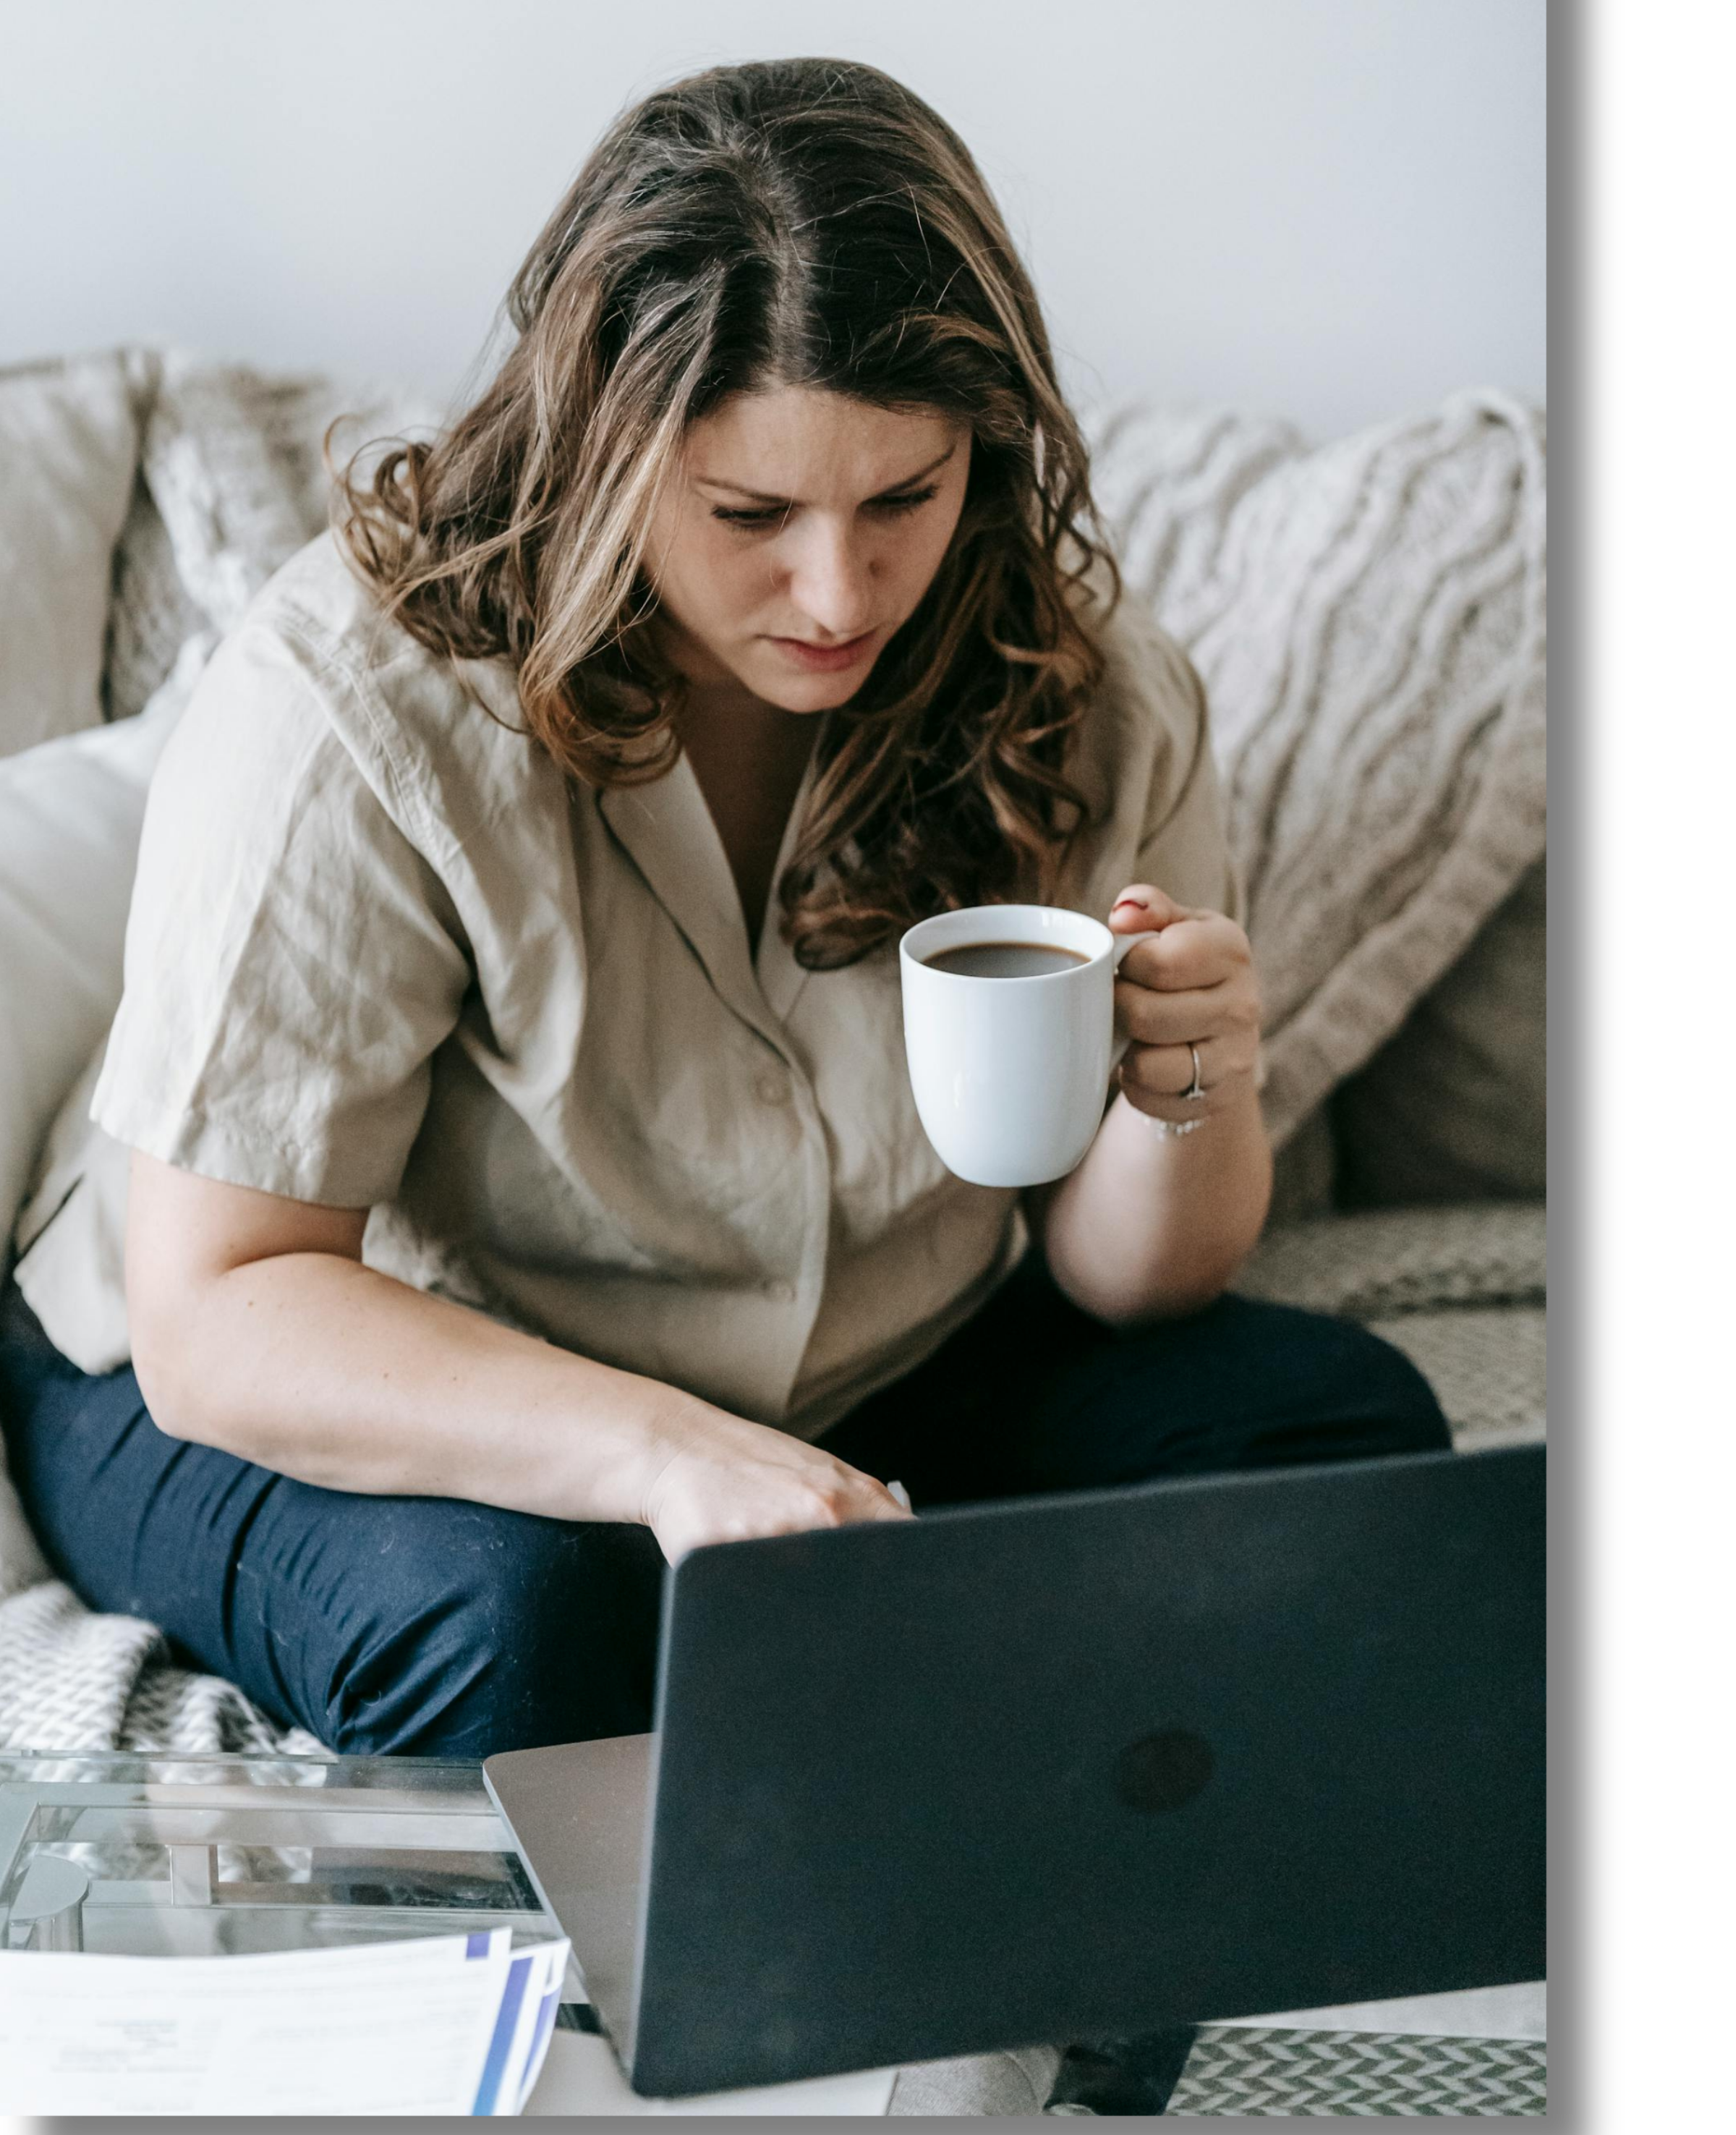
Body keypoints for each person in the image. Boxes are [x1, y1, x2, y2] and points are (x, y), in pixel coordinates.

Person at [0, 59, 1448, 1759]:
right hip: (321, 1377)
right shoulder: (358, 704)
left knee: (1334, 1439)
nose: (841, 595)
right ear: (602, 459)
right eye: (751, 515)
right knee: (519, 1628)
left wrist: (1189, 1081)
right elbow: (224, 1309)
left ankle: (949, 1811)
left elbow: (1126, 1284)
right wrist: (664, 1455)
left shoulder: (1092, 696)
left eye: (904, 497)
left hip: (849, 1375)